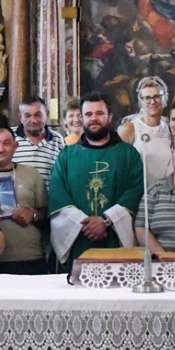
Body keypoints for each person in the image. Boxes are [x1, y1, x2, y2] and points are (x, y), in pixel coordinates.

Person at [48, 91, 145, 269]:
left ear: (110, 117)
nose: (94, 118)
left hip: (115, 238)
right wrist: (84, 223)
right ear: (81, 118)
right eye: (88, 114)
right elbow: (57, 193)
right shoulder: (67, 156)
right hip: (78, 238)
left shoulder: (128, 154)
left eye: (99, 113)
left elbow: (135, 191)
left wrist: (106, 220)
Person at [0, 126, 49, 274]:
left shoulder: (31, 173)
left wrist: (32, 214)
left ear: (15, 146)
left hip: (28, 257)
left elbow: (46, 215)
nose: (0, 149)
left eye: (6, 143)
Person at [119, 77, 173, 181]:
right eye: (147, 98)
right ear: (141, 101)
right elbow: (117, 162)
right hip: (138, 189)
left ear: (164, 98)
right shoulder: (129, 128)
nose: (152, 102)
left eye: (157, 96)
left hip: (165, 190)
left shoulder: (169, 128)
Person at [14, 95, 67, 179]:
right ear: (20, 117)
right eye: (27, 116)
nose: (33, 120)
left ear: (47, 114)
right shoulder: (9, 137)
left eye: (38, 115)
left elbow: (65, 173)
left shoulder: (58, 140)